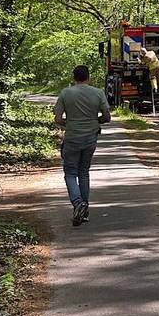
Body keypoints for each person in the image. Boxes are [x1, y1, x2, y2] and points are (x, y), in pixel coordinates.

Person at [53, 65, 111, 226]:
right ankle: (84, 211)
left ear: (74, 77)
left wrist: (70, 123)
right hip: (91, 138)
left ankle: (78, 203)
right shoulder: (98, 93)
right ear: (88, 77)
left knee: (70, 173)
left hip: (72, 137)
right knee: (84, 172)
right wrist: (95, 121)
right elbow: (107, 117)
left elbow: (57, 119)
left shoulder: (66, 93)